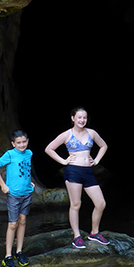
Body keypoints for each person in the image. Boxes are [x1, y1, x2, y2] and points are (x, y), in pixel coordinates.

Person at [45, 106, 109, 248]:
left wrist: (96, 160)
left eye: (84, 118)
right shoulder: (67, 134)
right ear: (73, 118)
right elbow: (49, 148)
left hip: (88, 171)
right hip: (73, 171)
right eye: (79, 117)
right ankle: (76, 236)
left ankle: (94, 232)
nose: (82, 120)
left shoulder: (91, 133)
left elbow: (103, 146)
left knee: (100, 203)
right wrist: (63, 161)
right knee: (76, 204)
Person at [0, 129, 35, 267]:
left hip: (27, 193)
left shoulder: (29, 153)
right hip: (14, 194)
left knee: (22, 221)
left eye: (24, 142)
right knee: (12, 224)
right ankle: (8, 255)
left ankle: (19, 252)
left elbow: (25, 170)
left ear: (27, 141)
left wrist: (29, 182)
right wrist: (2, 185)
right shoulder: (10, 154)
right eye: (19, 143)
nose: (22, 145)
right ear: (13, 144)